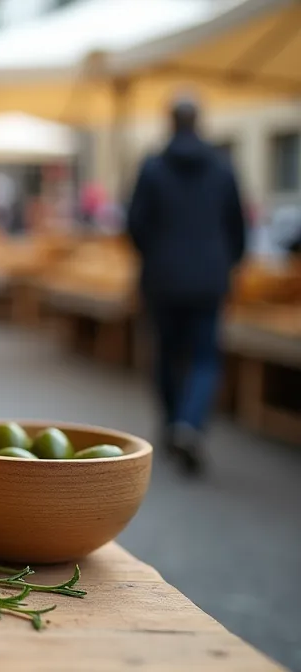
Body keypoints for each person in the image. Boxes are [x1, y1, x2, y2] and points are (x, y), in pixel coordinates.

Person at [126, 97, 247, 475]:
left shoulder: (153, 167)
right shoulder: (222, 167)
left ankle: (174, 423)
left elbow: (135, 224)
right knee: (204, 357)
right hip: (209, 278)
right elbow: (239, 227)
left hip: (162, 277)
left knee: (165, 354)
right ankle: (189, 423)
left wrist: (156, 256)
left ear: (170, 121)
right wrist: (227, 263)